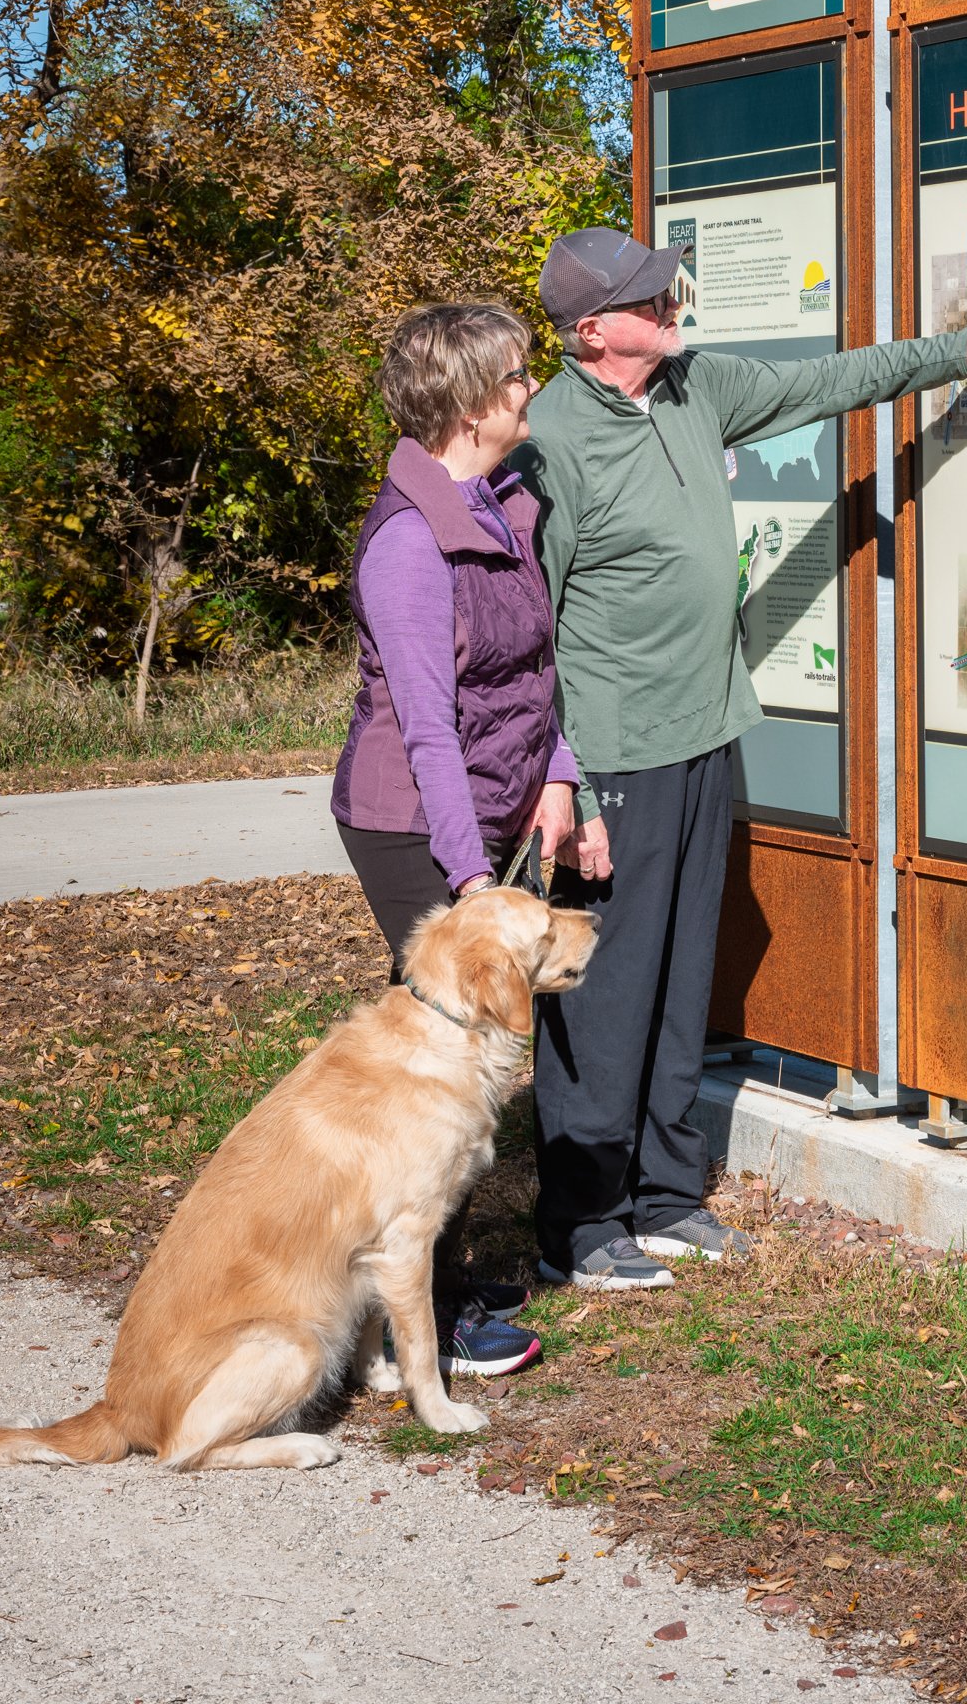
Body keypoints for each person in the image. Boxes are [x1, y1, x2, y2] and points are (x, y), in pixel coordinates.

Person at [518, 226, 967, 1290]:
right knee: (603, 985)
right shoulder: (549, 438)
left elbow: (829, 382)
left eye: (667, 287)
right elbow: (533, 627)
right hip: (614, 756)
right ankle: (579, 1221)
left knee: (683, 972)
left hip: (704, 733)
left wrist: (959, 350)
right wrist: (561, 778)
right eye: (648, 298)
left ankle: (664, 1193)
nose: (672, 303)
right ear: (591, 332)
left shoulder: (693, 387)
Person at [331, 299, 596, 1372]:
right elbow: (429, 731)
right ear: (471, 404)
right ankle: (424, 1319)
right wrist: (472, 879)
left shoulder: (499, 502)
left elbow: (536, 669)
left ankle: (423, 1279)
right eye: (517, 376)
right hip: (412, 822)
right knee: (441, 1064)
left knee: (458, 1058)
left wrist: (557, 774)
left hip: (490, 804)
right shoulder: (408, 543)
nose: (532, 388)